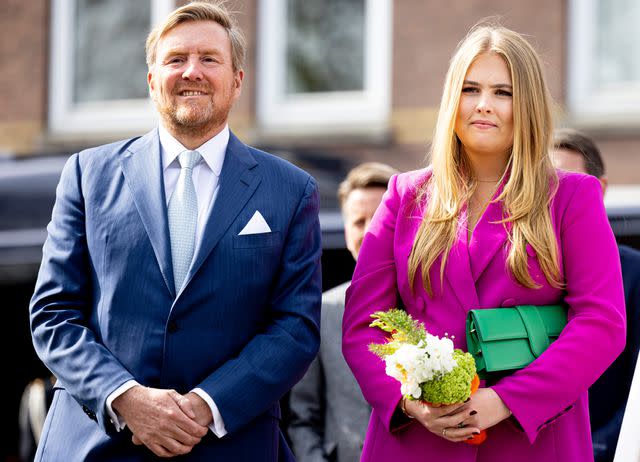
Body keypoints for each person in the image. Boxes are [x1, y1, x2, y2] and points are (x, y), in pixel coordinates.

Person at [28, 2, 322, 461]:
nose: (192, 72)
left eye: (209, 59)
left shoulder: (291, 190)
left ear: (237, 80)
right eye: (175, 59)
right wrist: (126, 397)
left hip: (230, 445)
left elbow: (295, 328)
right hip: (97, 444)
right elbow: (53, 314)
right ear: (151, 80)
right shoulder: (88, 174)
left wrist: (205, 407)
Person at [341, 23, 626, 462]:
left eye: (503, 93)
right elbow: (364, 324)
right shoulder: (403, 196)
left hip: (532, 440)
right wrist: (409, 403)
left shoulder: (573, 197)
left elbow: (602, 323)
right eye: (471, 89)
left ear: (527, 105)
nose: (483, 106)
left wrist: (506, 400)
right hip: (417, 443)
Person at [288, 162, 399, 462]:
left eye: (379, 219)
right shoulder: (322, 311)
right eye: (359, 222)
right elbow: (302, 415)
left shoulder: (430, 302)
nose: (369, 231)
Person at [552, 128, 640, 462]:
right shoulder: (518, 271)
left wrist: (600, 446)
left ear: (598, 189)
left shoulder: (633, 272)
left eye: (568, 183)